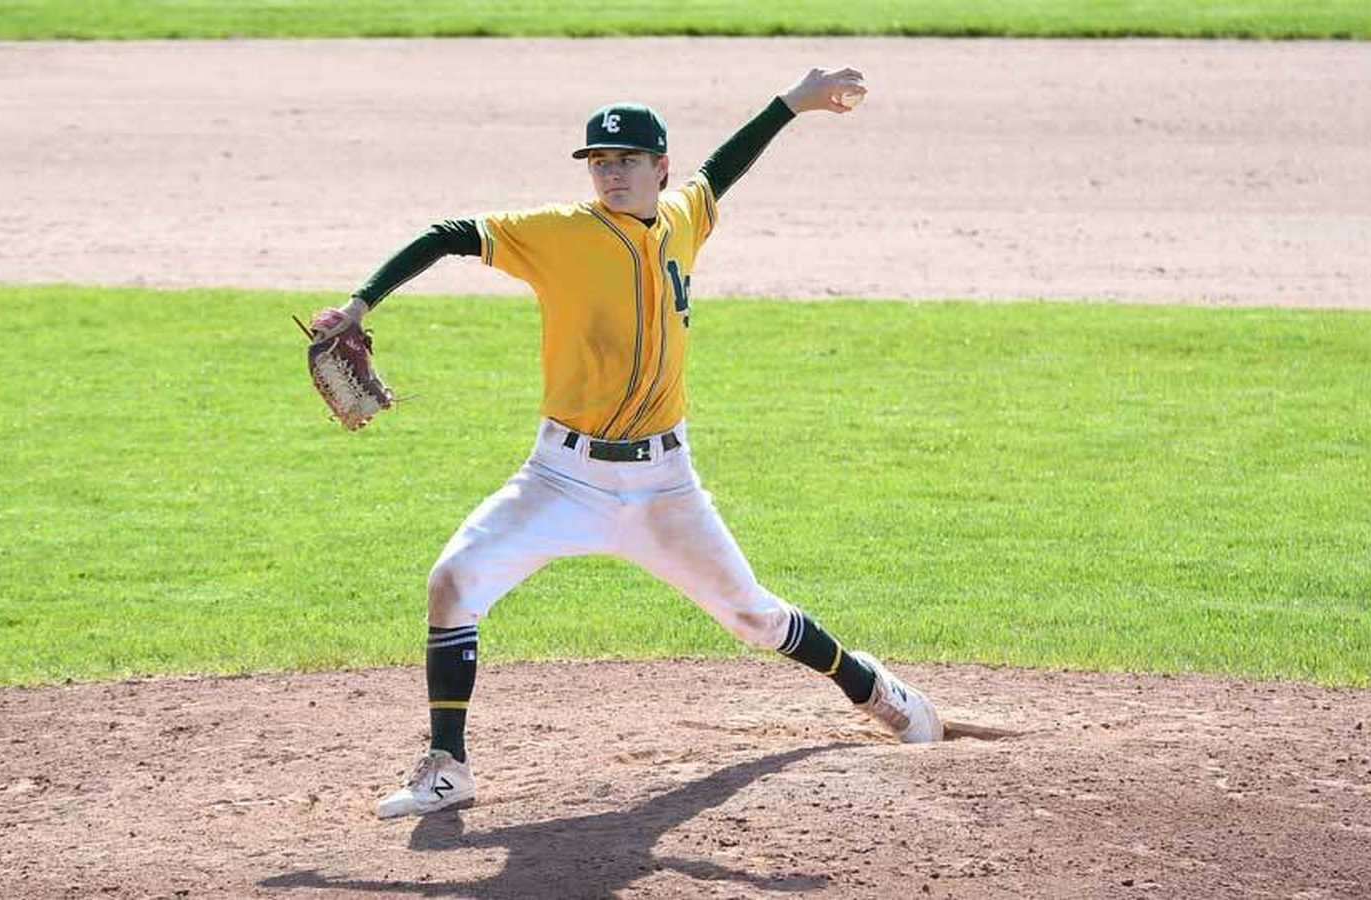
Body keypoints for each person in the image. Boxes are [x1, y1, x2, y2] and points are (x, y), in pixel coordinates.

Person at [320, 67, 944, 820]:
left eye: (626, 161)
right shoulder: (559, 234)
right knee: (453, 582)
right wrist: (361, 301)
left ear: (659, 169)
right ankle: (448, 767)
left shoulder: (686, 216)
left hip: (665, 487)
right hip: (562, 479)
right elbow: (450, 235)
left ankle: (872, 687)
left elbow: (726, 168)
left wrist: (793, 104)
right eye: (599, 162)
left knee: (755, 617)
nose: (611, 173)